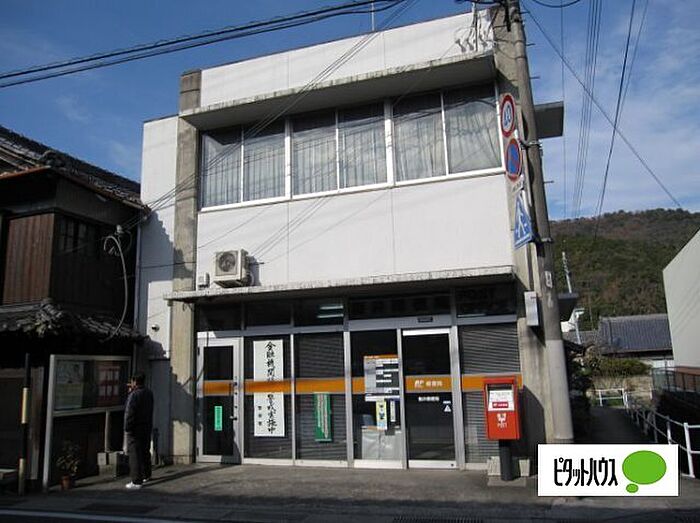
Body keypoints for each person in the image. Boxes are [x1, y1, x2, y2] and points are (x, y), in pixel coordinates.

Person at [124, 373, 153, 490]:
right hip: (146, 426)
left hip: (135, 428)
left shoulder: (134, 395)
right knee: (145, 451)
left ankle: (136, 481)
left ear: (135, 382)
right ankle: (147, 474)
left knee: (135, 454)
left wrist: (127, 427)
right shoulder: (149, 393)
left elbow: (129, 413)